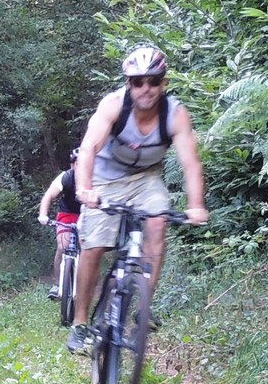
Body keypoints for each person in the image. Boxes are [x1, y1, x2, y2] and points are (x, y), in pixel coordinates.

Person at [66, 46, 207, 355]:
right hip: (106, 177)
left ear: (163, 83)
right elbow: (88, 149)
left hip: (147, 178)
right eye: (138, 81)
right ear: (128, 84)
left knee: (158, 223)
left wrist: (196, 205)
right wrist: (85, 189)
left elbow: (191, 164)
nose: (146, 88)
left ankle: (143, 307)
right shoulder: (113, 106)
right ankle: (80, 323)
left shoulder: (175, 114)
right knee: (94, 246)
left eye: (153, 81)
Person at [36, 150, 81, 295]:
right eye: (78, 164)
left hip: (88, 214)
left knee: (89, 248)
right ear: (72, 165)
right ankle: (57, 284)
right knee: (63, 246)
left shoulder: (96, 178)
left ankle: (85, 284)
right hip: (67, 214)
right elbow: (49, 195)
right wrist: (43, 215)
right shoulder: (66, 177)